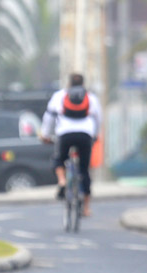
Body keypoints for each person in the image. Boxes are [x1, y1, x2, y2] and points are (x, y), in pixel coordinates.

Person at [40, 73, 102, 217]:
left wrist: (45, 135)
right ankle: (86, 207)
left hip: (65, 134)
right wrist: (96, 134)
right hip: (85, 134)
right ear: (83, 83)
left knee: (59, 159)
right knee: (84, 170)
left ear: (69, 83)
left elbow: (49, 117)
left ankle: (62, 181)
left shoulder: (59, 96)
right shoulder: (91, 98)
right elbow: (98, 118)